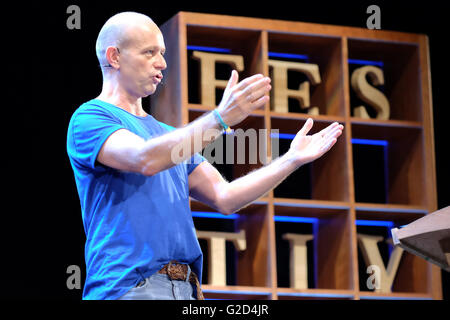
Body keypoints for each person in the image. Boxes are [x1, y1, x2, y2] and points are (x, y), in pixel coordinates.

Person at [66, 11, 344, 300]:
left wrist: (290, 159)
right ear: (115, 56)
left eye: (161, 53)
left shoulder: (166, 134)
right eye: (149, 52)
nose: (161, 63)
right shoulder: (91, 118)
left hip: (188, 288)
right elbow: (144, 159)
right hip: (129, 288)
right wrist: (219, 119)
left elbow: (225, 197)